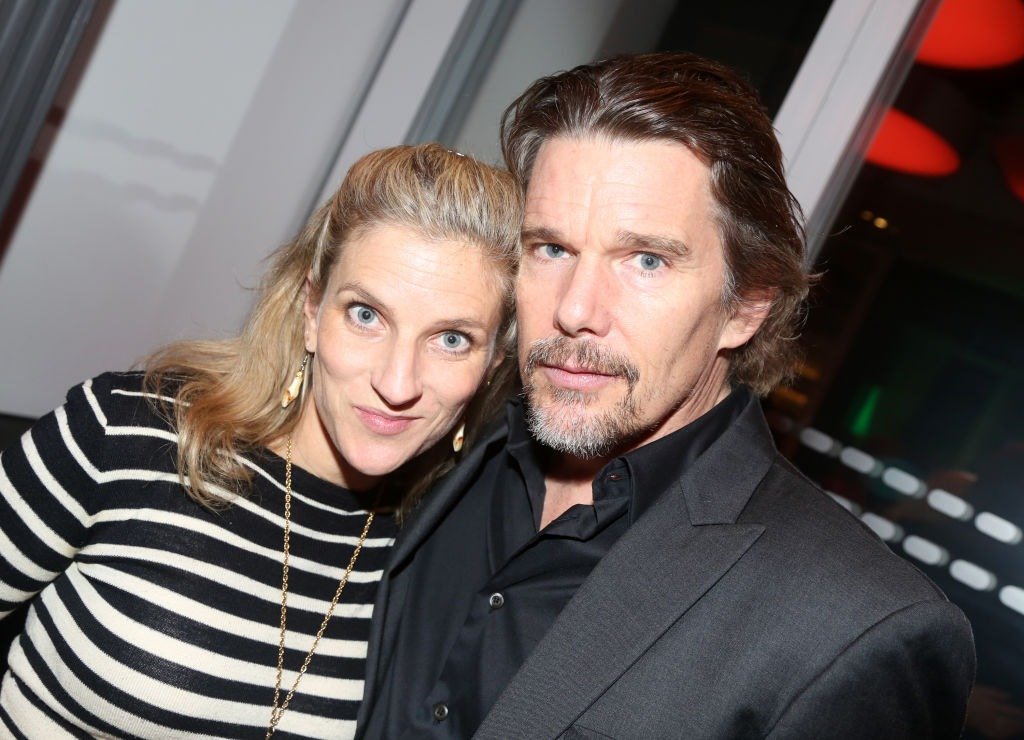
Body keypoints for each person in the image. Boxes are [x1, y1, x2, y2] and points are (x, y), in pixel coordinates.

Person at [359, 54, 976, 738]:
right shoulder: (424, 440)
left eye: (646, 260)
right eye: (552, 249)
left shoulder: (855, 629)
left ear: (745, 306)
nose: (576, 310)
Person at [0, 143, 521, 738]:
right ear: (310, 310)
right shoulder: (130, 433)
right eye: (366, 315)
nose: (396, 382)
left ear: (492, 362)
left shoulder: (440, 555)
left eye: (451, 339)